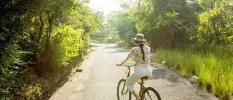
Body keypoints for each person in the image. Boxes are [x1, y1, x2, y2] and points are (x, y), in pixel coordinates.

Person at [119, 34, 152, 100]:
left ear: (136, 42)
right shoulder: (148, 48)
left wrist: (121, 64)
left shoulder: (134, 49)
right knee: (141, 82)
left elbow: (127, 59)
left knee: (128, 83)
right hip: (149, 71)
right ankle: (142, 94)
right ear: (143, 41)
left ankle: (137, 97)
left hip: (140, 71)